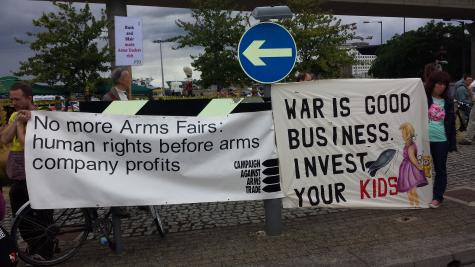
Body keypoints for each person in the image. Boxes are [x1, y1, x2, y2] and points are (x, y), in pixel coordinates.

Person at [0, 82, 54, 259]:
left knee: (42, 211)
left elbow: (29, 145)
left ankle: (45, 250)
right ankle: (33, 244)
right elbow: (5, 139)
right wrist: (16, 122)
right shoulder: (16, 115)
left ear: (29, 98)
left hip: (39, 171)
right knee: (19, 212)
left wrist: (22, 125)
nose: (13, 102)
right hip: (19, 171)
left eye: (17, 99)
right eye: (12, 98)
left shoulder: (42, 116)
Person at [425, 71, 457, 208]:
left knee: (440, 169)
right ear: (432, 84)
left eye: (444, 84)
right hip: (424, 140)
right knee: (421, 168)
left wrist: (451, 142)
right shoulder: (424, 98)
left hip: (441, 140)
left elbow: (451, 124)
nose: (441, 87)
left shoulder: (448, 102)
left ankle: (438, 197)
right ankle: (421, 194)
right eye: (439, 83)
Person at [398, 123, 428, 208]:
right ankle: (412, 205)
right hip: (407, 168)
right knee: (410, 190)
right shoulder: (409, 144)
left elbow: (412, 158)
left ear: (407, 134)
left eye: (403, 133)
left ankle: (417, 205)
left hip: (410, 169)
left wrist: (418, 166)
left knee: (412, 189)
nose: (402, 135)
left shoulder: (410, 146)